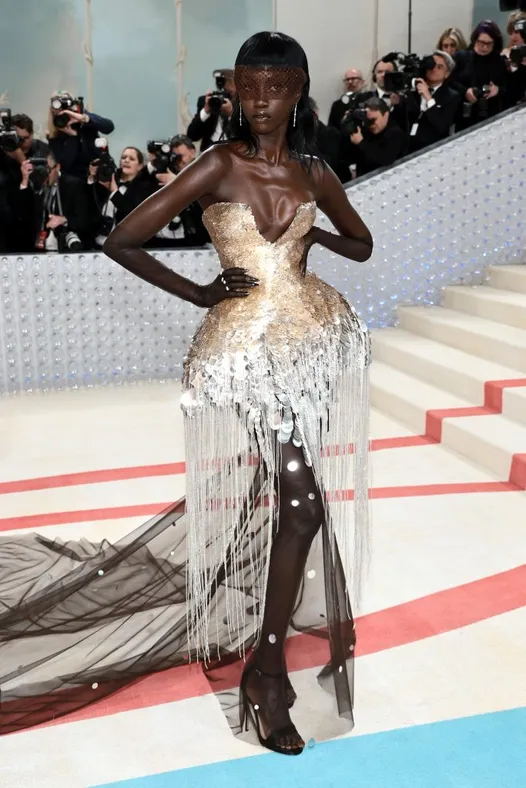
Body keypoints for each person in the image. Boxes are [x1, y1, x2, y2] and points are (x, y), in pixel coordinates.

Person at [0, 32, 372, 755]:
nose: (260, 101)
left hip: (309, 344)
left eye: (275, 87)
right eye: (248, 87)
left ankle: (266, 658)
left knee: (295, 502)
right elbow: (123, 238)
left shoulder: (317, 171)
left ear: (298, 91)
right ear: (234, 91)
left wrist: (317, 241)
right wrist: (201, 290)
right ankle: (266, 672)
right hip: (242, 354)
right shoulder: (219, 163)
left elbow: (360, 243)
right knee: (301, 504)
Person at [391, 51, 462, 152]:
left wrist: (428, 97)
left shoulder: (452, 96)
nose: (434, 69)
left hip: (433, 148)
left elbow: (442, 126)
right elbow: (399, 120)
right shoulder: (412, 91)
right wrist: (395, 104)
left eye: (439, 67)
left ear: (447, 74)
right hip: (406, 148)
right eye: (431, 64)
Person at [89, 146, 157, 248]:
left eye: (132, 159)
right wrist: (93, 177)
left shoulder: (145, 187)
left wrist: (115, 192)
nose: (126, 161)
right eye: (124, 157)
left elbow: (133, 213)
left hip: (127, 245)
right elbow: (90, 204)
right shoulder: (110, 178)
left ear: (139, 166)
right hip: (99, 243)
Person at [454, 20, 508, 130]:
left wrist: (497, 90)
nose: (484, 47)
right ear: (475, 40)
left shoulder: (499, 61)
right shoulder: (461, 57)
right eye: (481, 42)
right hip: (464, 114)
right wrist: (465, 91)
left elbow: (509, 87)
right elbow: (450, 82)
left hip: (491, 115)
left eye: (489, 44)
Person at [47, 92, 115, 179]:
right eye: (59, 114)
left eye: (67, 112)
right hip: (76, 182)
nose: (64, 116)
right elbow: (66, 164)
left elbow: (109, 127)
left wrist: (85, 118)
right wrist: (73, 135)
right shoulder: (54, 136)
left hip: (100, 174)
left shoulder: (84, 120)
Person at [37, 151, 91, 252]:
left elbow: (85, 220)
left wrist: (64, 219)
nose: (46, 175)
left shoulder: (74, 185)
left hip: (67, 246)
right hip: (44, 246)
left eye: (48, 170)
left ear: (58, 167)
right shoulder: (39, 185)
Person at [343, 96, 409, 177]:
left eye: (374, 120)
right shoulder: (366, 132)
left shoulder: (396, 134)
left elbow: (385, 160)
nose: (371, 125)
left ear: (386, 115)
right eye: (368, 120)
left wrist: (361, 143)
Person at [187, 69, 235, 151]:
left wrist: (231, 114)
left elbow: (247, 136)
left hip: (233, 155)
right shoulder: (208, 101)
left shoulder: (243, 104)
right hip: (209, 154)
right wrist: (206, 111)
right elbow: (192, 136)